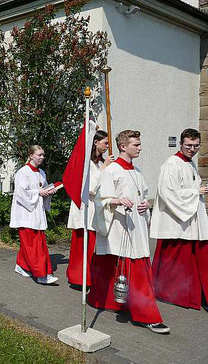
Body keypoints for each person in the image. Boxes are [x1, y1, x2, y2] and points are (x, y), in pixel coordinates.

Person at [88, 130, 169, 334]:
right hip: (119, 226)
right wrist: (116, 200)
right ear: (123, 147)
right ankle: (147, 316)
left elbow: (143, 194)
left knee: (122, 268)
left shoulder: (137, 170)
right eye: (136, 144)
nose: (140, 147)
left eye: (139, 144)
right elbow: (99, 200)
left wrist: (144, 205)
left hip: (136, 225)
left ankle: (117, 303)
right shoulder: (111, 170)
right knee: (131, 269)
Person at [150, 128, 208, 310]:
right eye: (189, 145)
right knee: (177, 258)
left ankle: (195, 294)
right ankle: (173, 293)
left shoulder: (189, 163)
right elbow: (167, 193)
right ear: (181, 144)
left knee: (196, 256)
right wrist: (195, 192)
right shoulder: (171, 164)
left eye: (196, 145)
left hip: (192, 217)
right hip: (177, 220)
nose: (192, 149)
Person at [65, 130, 113, 287]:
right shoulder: (88, 163)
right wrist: (104, 168)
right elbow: (89, 187)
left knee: (94, 247)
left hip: (97, 207)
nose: (107, 146)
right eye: (105, 143)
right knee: (83, 246)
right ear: (95, 142)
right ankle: (79, 278)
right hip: (85, 208)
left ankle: (91, 278)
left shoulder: (100, 162)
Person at [9, 145, 58, 284]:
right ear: (31, 155)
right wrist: (38, 193)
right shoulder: (22, 172)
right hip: (26, 213)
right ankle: (42, 274)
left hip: (36, 211)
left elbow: (44, 188)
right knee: (33, 245)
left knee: (34, 242)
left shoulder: (41, 172)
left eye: (43, 155)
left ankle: (21, 265)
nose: (42, 157)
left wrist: (49, 191)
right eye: (39, 155)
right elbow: (20, 193)